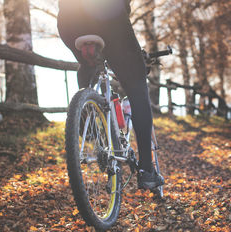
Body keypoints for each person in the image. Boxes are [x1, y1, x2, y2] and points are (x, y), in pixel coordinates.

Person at [57, 0, 164, 190]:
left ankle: (85, 119)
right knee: (137, 85)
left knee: (88, 65)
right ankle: (147, 171)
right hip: (109, 15)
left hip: (69, 22)